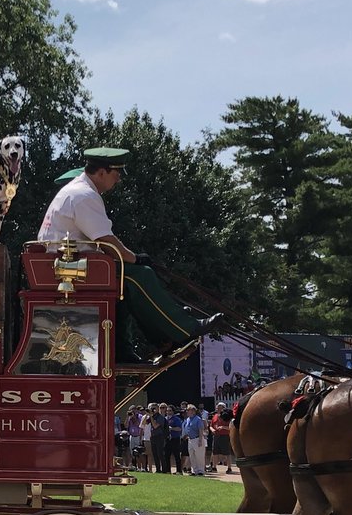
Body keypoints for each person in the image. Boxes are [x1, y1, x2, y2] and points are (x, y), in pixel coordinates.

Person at [36, 147, 223, 362]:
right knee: (139, 275)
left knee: (123, 289)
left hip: (66, 268)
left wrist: (130, 257)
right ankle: (183, 329)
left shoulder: (77, 190)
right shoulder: (83, 195)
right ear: (102, 172)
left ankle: (130, 349)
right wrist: (134, 258)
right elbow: (105, 240)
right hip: (69, 272)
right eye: (116, 174)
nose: (118, 180)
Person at [210, 401, 234, 474]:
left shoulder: (227, 416)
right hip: (216, 436)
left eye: (220, 408)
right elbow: (211, 425)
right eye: (217, 408)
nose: (218, 409)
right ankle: (214, 467)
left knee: (227, 452)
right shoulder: (215, 416)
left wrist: (223, 427)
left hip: (225, 436)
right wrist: (212, 429)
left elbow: (231, 427)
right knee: (215, 452)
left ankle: (229, 467)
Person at [183, 404, 207, 475]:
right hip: (190, 439)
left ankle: (201, 471)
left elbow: (200, 429)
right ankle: (195, 470)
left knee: (199, 456)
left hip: (197, 438)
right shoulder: (187, 419)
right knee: (192, 456)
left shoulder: (198, 419)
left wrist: (200, 440)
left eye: (188, 410)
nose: (187, 411)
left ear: (193, 411)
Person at [163, 403, 184, 474]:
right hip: (167, 439)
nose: (168, 412)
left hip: (175, 439)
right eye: (167, 411)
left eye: (170, 411)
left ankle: (179, 470)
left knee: (177, 455)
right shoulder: (165, 419)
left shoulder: (176, 419)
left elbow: (179, 428)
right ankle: (168, 470)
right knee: (167, 455)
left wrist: (171, 428)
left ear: (173, 411)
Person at [149, 402, 168, 473]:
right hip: (153, 436)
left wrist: (150, 417)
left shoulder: (160, 417)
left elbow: (155, 426)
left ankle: (164, 469)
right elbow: (143, 424)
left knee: (160, 454)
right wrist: (147, 415)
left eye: (154, 408)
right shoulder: (152, 416)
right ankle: (158, 469)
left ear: (157, 408)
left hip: (159, 436)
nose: (153, 409)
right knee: (155, 454)